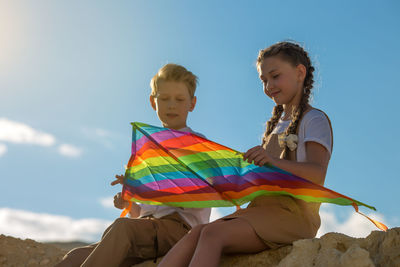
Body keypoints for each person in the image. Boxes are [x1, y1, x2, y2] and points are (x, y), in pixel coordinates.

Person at [158, 41, 333, 267]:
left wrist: (272, 161)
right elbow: (264, 179)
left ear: (300, 73)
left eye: (275, 76)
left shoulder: (314, 120)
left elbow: (317, 175)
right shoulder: (275, 127)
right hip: (260, 211)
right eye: (264, 80)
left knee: (213, 235)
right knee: (197, 232)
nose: (269, 85)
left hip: (292, 217)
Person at [56, 63, 211, 267]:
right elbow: (143, 212)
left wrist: (147, 188)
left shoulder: (196, 145)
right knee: (75, 256)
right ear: (152, 102)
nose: (171, 105)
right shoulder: (146, 150)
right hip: (146, 229)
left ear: (192, 103)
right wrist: (130, 203)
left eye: (180, 99)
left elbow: (200, 193)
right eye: (164, 99)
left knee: (123, 229)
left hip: (181, 230)